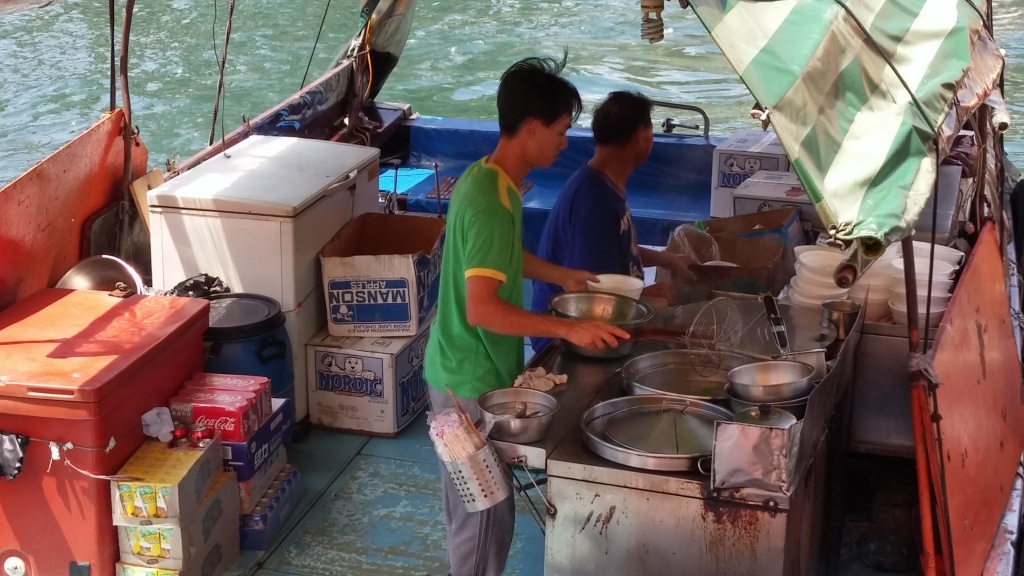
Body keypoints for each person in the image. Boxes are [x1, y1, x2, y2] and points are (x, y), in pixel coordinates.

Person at [423, 53, 630, 576]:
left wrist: (558, 275)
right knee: (485, 519)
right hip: (467, 387)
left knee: (476, 514)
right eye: (561, 130)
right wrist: (568, 326)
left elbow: (498, 260)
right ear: (532, 128)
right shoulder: (494, 202)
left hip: (454, 373)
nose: (565, 142)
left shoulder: (486, 178)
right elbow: (483, 306)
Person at [530, 91, 695, 353]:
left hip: (604, 319)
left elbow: (617, 248)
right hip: (567, 342)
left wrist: (669, 260)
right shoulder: (592, 201)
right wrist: (652, 297)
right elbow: (588, 296)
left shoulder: (605, 183)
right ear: (642, 136)